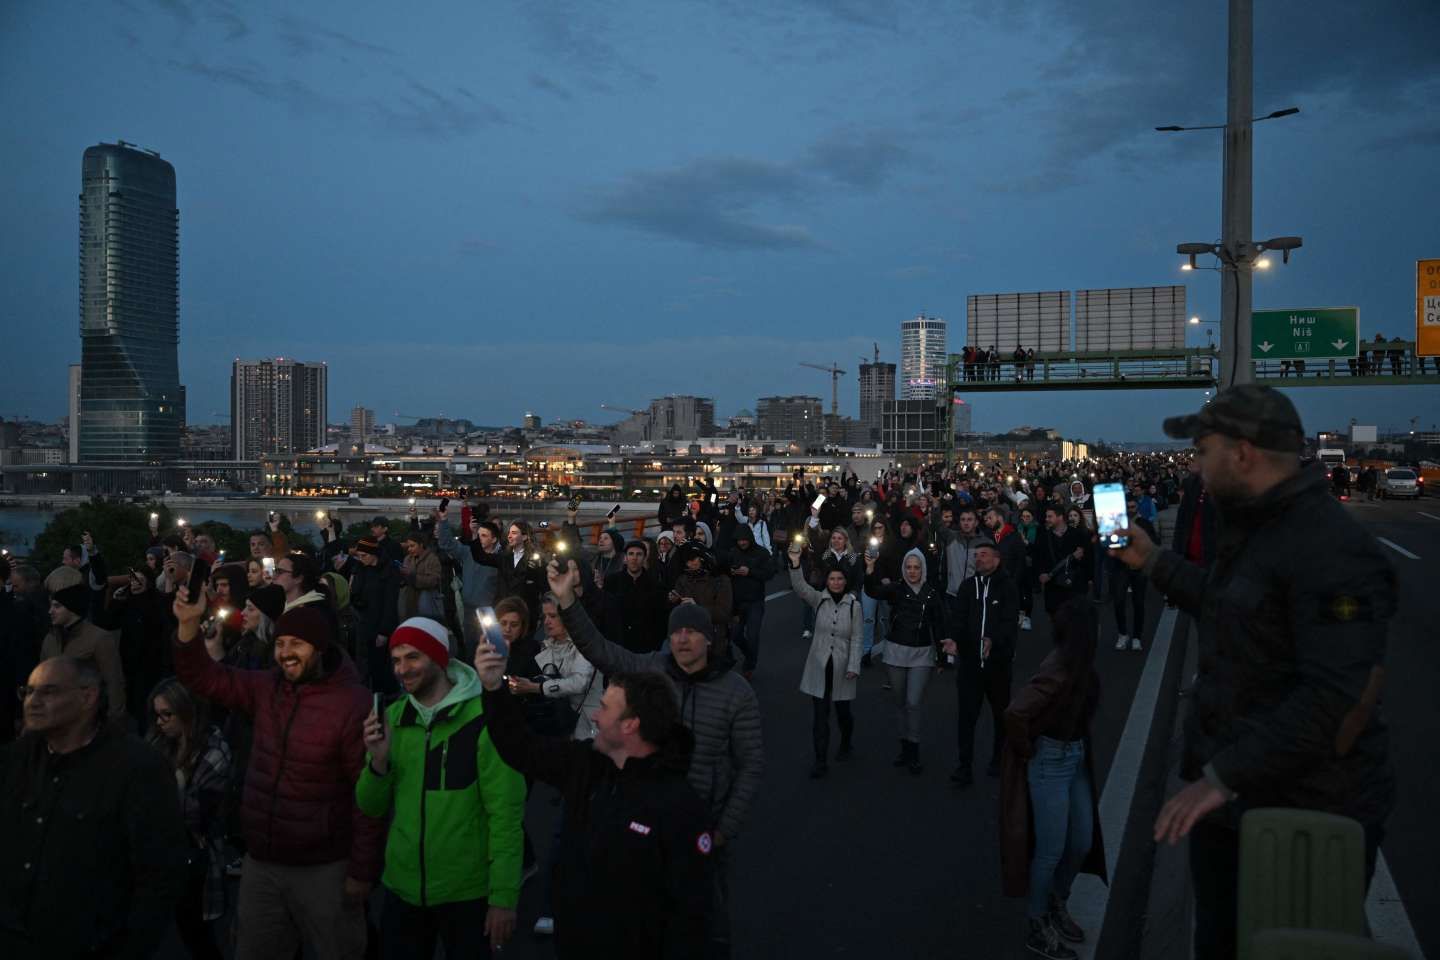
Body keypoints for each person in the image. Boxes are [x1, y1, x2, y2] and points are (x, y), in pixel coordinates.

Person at [1116, 385, 1398, 960]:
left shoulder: (1329, 548)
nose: (1194, 464)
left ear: (1242, 453)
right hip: (1238, 808)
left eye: (1202, 450)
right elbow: (1230, 605)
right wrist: (1151, 561)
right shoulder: (1259, 526)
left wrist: (1219, 778)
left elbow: (1333, 697)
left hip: (1299, 814)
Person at [546, 560, 761, 959]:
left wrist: (724, 829)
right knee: (641, 918)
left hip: (704, 825)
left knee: (705, 922)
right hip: (649, 818)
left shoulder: (736, 692)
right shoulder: (652, 672)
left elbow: (750, 765)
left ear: (710, 638)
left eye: (693, 631)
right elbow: (601, 651)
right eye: (676, 631)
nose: (683, 639)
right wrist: (567, 600)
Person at [172, 588, 384, 960]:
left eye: (297, 644)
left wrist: (362, 872)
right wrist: (188, 626)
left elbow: (367, 796)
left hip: (324, 868)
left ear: (320, 649)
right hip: (262, 864)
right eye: (281, 642)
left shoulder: (352, 705)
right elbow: (204, 678)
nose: (285, 652)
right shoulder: (267, 687)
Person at [475, 642, 713, 957]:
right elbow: (521, 748)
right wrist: (493, 687)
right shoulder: (584, 764)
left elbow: (693, 920)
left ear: (630, 724)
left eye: (605, 708)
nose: (596, 717)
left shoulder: (679, 807)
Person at [357, 617, 525, 959]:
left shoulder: (483, 718)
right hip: (402, 890)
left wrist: (503, 897)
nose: (403, 669)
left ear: (439, 658)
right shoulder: (393, 717)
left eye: (413, 657)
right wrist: (378, 762)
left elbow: (505, 815)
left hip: (466, 893)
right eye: (397, 660)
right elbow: (370, 807)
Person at [0, 656, 190, 958]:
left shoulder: (138, 768)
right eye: (29, 691)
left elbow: (160, 876)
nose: (33, 702)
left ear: (88, 696)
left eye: (48, 692)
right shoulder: (16, 759)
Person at [1000, 599, 1106, 960]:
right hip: (1051, 761)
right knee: (1050, 850)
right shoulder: (1059, 669)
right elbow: (1015, 713)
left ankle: (1057, 901)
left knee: (1081, 840)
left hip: (1073, 757)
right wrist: (1029, 752)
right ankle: (1036, 920)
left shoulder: (1080, 666)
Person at [146, 677, 233, 960]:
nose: (160, 722)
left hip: (196, 855)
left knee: (196, 932)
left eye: (166, 715)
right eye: (157, 715)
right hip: (164, 852)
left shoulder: (213, 751)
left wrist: (173, 787)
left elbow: (199, 816)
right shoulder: (159, 743)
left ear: (185, 711)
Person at [863, 547, 951, 775]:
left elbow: (940, 624)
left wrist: (943, 657)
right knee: (899, 701)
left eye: (917, 567)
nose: (912, 571)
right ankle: (904, 746)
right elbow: (872, 591)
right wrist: (870, 568)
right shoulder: (896, 589)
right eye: (909, 567)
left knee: (913, 703)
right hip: (895, 651)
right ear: (904, 568)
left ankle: (914, 749)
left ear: (923, 569)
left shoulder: (932, 593)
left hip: (922, 653)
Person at [943, 540, 1018, 787]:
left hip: (998, 665)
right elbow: (959, 618)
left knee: (1001, 715)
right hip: (971, 665)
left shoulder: (1007, 587)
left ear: (996, 559)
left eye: (984, 555)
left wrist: (994, 640)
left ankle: (999, 759)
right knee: (966, 717)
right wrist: (955, 640)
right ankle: (964, 766)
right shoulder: (967, 586)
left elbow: (1009, 621)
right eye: (976, 555)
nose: (979, 559)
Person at [786, 541, 862, 778]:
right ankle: (820, 760)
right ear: (827, 582)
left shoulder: (854, 606)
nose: (836, 583)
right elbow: (799, 587)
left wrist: (853, 666)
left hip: (842, 666)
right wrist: (795, 563)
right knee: (820, 715)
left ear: (845, 582)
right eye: (832, 579)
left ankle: (846, 742)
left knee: (843, 712)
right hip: (819, 665)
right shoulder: (819, 599)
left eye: (840, 579)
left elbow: (858, 638)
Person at [40, 565, 126, 720]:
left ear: (72, 604)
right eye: (50, 604)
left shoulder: (99, 639)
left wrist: (114, 728)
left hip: (87, 725)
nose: (50, 611)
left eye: (57, 605)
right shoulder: (50, 638)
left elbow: (114, 685)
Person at [722, 524, 773, 678]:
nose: (742, 543)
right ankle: (748, 654)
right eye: (739, 540)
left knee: (753, 635)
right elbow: (723, 573)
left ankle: (750, 665)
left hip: (755, 601)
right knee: (735, 635)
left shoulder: (762, 553)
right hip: (737, 602)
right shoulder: (732, 553)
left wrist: (750, 572)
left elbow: (769, 573)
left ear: (750, 538)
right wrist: (730, 572)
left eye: (744, 540)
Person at [1109, 497, 1157, 651]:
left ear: (1137, 507)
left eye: (1133, 506)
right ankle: (1122, 633)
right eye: (1128, 506)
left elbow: (1153, 543)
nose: (1130, 509)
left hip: (1139, 568)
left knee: (1138, 603)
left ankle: (1137, 636)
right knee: (1118, 601)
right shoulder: (1117, 523)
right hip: (1121, 567)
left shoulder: (1145, 524)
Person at [603, 541, 667, 653]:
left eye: (639, 554)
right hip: (619, 645)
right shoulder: (611, 582)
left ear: (644, 558)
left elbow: (660, 620)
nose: (634, 558)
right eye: (631, 554)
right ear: (625, 558)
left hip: (646, 647)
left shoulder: (656, 586)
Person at [1031, 506, 1090, 621]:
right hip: (1052, 585)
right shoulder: (1043, 536)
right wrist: (1041, 573)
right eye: (1046, 516)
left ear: (1060, 517)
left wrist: (1087, 577)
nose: (1046, 519)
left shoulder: (1078, 534)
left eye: (1050, 516)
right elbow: (1037, 557)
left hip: (1074, 584)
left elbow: (1088, 559)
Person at [398, 529, 444, 622]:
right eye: (408, 546)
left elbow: (433, 580)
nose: (409, 549)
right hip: (409, 602)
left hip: (427, 602)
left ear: (421, 545)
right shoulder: (408, 558)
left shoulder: (432, 558)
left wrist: (412, 575)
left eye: (412, 546)